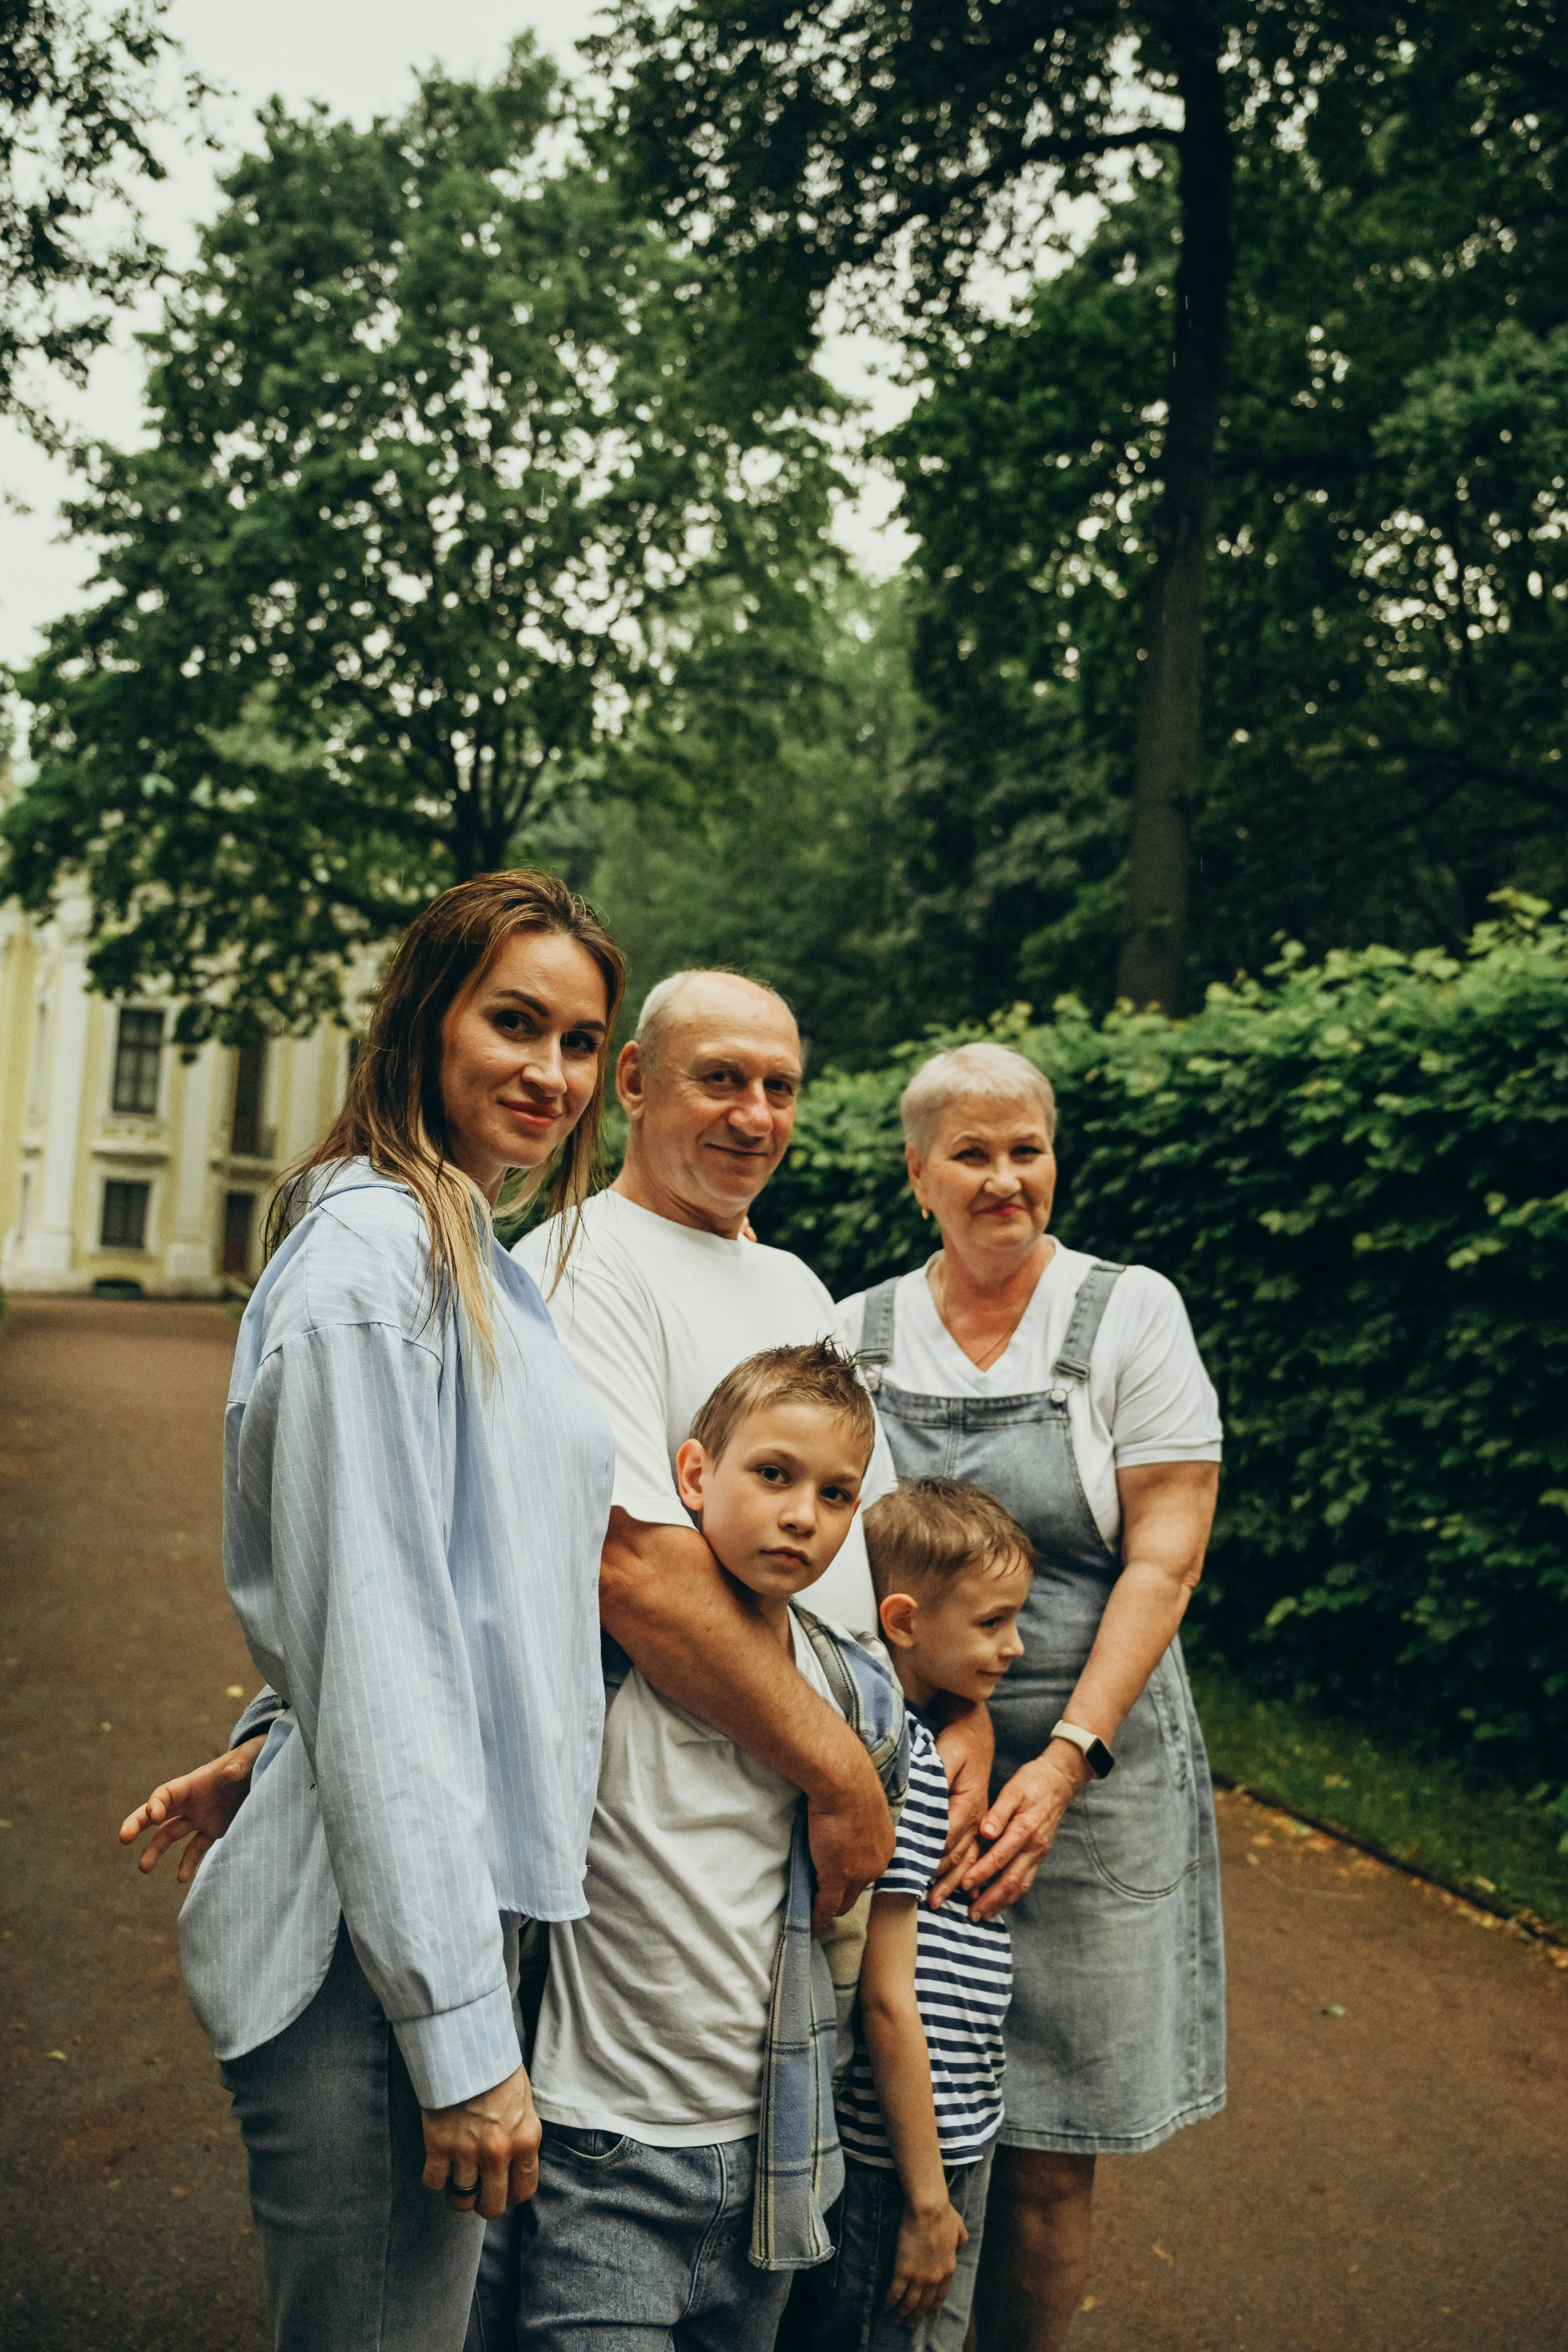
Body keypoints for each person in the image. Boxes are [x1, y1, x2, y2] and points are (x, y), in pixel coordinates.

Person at [119, 872, 628, 2352]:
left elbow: (455, 1593)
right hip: (375, 1958)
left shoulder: (455, 1245)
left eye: (581, 1041)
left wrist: (281, 1731)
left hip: (443, 1917)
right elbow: (387, 1648)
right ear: (423, 1021)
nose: (550, 1072)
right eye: (514, 1023)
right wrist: (461, 2039)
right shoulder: (369, 1268)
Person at [834, 1041, 1226, 2352]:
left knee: (1054, 2150)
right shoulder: (855, 1333)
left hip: (1092, 1773)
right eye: (971, 1154)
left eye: (1026, 1150)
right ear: (916, 1173)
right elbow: (848, 1573)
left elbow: (1165, 1550)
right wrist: (941, 1734)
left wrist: (1058, 1759)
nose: (1004, 1180)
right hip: (919, 1781)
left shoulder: (1127, 1312)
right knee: (910, 2113)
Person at [514, 969, 995, 1932]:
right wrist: (843, 1777)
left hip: (830, 1790)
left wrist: (954, 1704)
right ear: (636, 1080)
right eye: (722, 1080)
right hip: (690, 1818)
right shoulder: (578, 1267)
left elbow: (880, 1535)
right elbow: (633, 1567)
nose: (756, 1116)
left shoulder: (796, 1284)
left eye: (780, 1088)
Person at [515, 1341, 906, 2351]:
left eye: (834, 1495)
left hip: (772, 2151)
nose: (800, 1515)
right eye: (772, 1475)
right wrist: (262, 1748)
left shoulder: (853, 1697)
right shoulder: (600, 1655)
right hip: (600, 2144)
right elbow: (437, 1667)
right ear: (695, 1475)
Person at [805, 1479, 1034, 2352]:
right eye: (991, 1623)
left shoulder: (930, 1743)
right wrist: (928, 2203)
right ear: (902, 1621)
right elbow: (890, 2001)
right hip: (903, 2159)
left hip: (955, 2127)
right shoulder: (906, 1767)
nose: (1015, 1648)